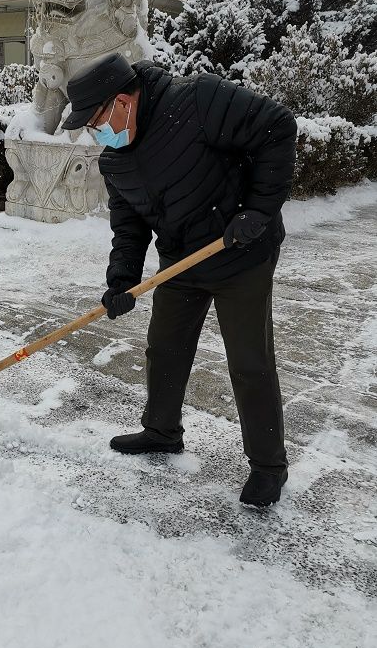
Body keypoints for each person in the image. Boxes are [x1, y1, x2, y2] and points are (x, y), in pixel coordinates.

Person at [61, 52, 298, 507]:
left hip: (240, 253)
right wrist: (121, 281)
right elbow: (128, 228)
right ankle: (162, 431)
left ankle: (268, 465)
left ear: (124, 100)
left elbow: (277, 127)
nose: (98, 133)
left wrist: (258, 211)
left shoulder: (198, 100)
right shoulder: (115, 163)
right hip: (181, 262)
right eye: (90, 128)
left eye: (97, 120)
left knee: (250, 362)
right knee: (164, 348)